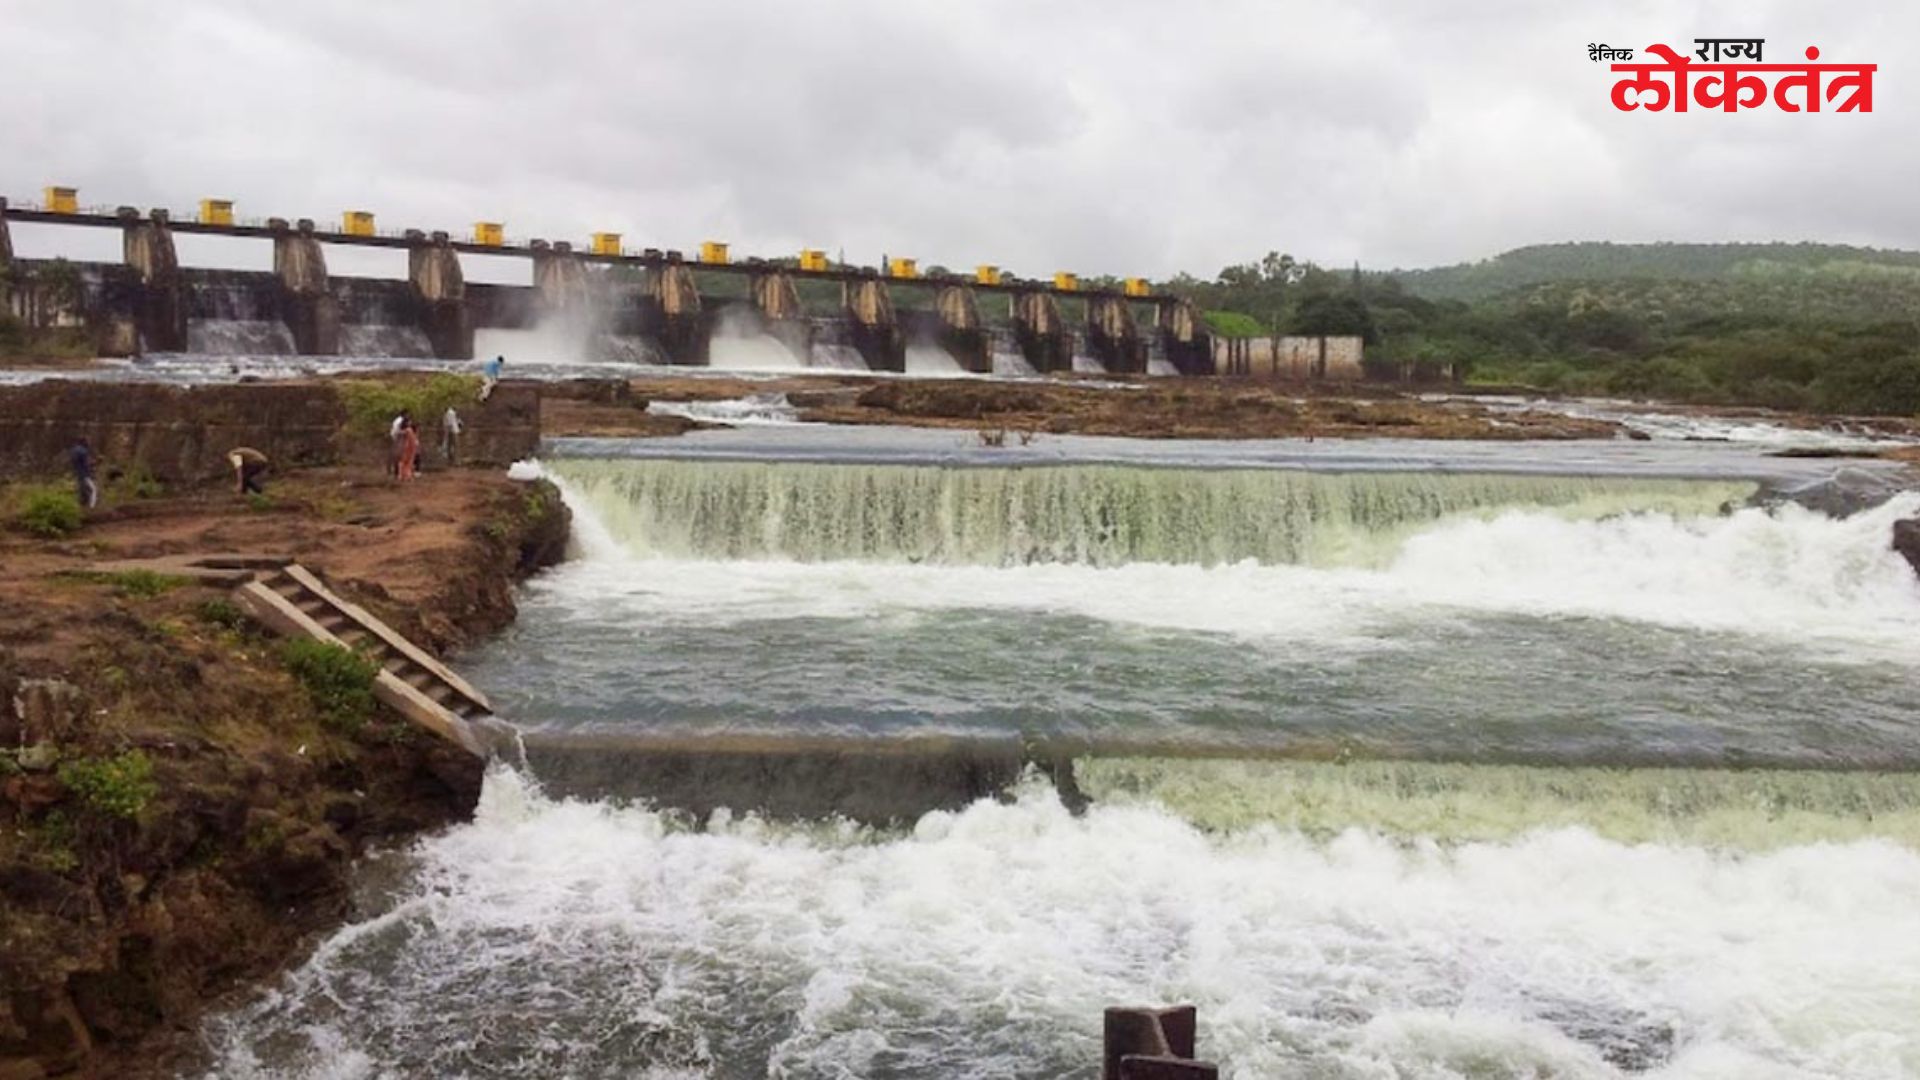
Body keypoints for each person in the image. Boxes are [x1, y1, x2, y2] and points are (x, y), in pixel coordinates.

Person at [69, 437, 99, 509]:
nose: (89, 443)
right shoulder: (83, 451)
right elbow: (87, 464)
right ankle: (92, 508)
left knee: (82, 491)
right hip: (85, 475)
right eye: (88, 442)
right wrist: (97, 462)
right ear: (84, 442)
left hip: (77, 474)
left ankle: (81, 508)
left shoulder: (73, 450)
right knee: (93, 490)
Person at [388, 410, 410, 477]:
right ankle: (397, 472)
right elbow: (397, 430)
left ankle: (398, 471)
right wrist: (404, 432)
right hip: (397, 437)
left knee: (398, 455)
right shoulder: (400, 421)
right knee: (398, 455)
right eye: (407, 414)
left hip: (397, 436)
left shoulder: (400, 420)